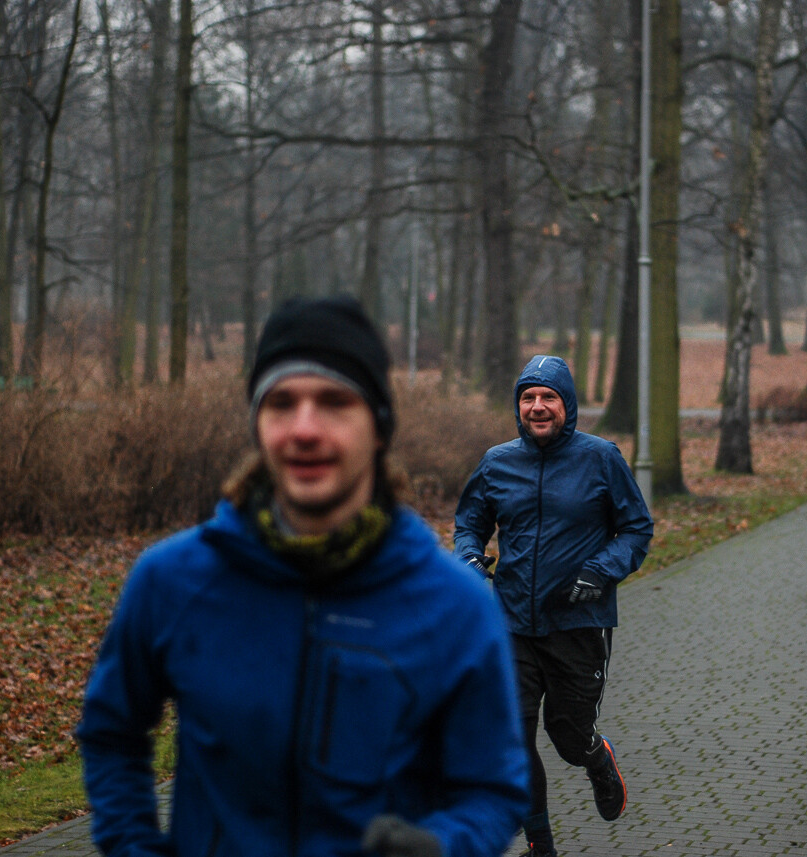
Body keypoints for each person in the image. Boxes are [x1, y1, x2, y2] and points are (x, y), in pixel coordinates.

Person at [77, 296, 529, 857]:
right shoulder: (172, 580)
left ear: (380, 426)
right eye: (281, 403)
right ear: (257, 423)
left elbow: (494, 789)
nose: (305, 429)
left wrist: (441, 846)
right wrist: (133, 846)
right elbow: (112, 733)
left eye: (335, 402)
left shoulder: (454, 605)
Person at [454, 355, 653, 857]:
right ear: (517, 406)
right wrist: (472, 562)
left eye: (549, 397)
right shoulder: (497, 462)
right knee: (513, 740)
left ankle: (596, 758)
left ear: (568, 404)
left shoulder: (601, 458)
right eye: (528, 398)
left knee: (567, 737)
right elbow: (469, 524)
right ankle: (541, 844)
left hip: (578, 625)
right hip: (513, 622)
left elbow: (636, 529)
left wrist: (600, 570)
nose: (538, 407)